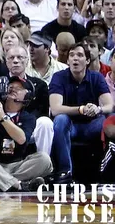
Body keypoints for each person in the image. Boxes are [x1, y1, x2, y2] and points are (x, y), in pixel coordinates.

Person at [49, 43, 114, 183]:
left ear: (88, 60)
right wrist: (80, 109)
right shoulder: (58, 77)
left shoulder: (96, 77)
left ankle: (106, 173)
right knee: (60, 119)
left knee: (109, 119)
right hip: (69, 126)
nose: (75, 58)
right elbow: (55, 109)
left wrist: (98, 109)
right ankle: (65, 172)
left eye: (79, 55)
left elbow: (109, 105)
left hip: (91, 125)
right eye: (71, 55)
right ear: (67, 61)